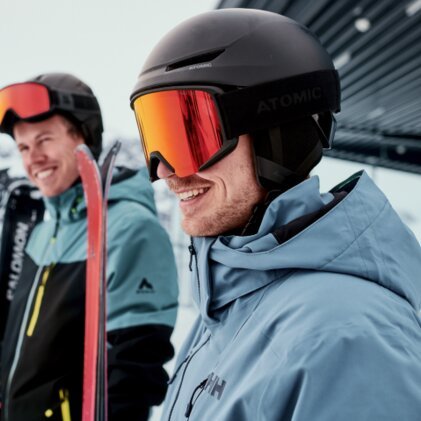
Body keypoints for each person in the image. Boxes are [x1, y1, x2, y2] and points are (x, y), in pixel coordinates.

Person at [129, 8, 421, 420]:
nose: (163, 171)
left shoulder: (347, 338)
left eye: (190, 133)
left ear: (278, 136)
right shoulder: (231, 299)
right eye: (156, 136)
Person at [0, 72, 179, 420]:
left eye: (45, 140)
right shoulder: (40, 227)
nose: (33, 158)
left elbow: (134, 367)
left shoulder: (128, 228)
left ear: (83, 137)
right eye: (24, 147)